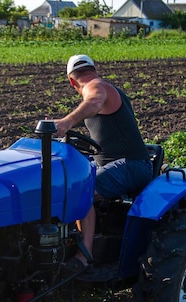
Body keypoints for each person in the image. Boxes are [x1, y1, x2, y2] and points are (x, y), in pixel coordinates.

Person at [54, 54, 153, 272]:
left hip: (132, 166)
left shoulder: (96, 86)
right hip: (121, 165)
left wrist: (67, 121)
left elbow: (93, 101)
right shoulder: (105, 87)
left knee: (81, 190)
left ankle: (84, 256)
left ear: (72, 81)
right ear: (94, 69)